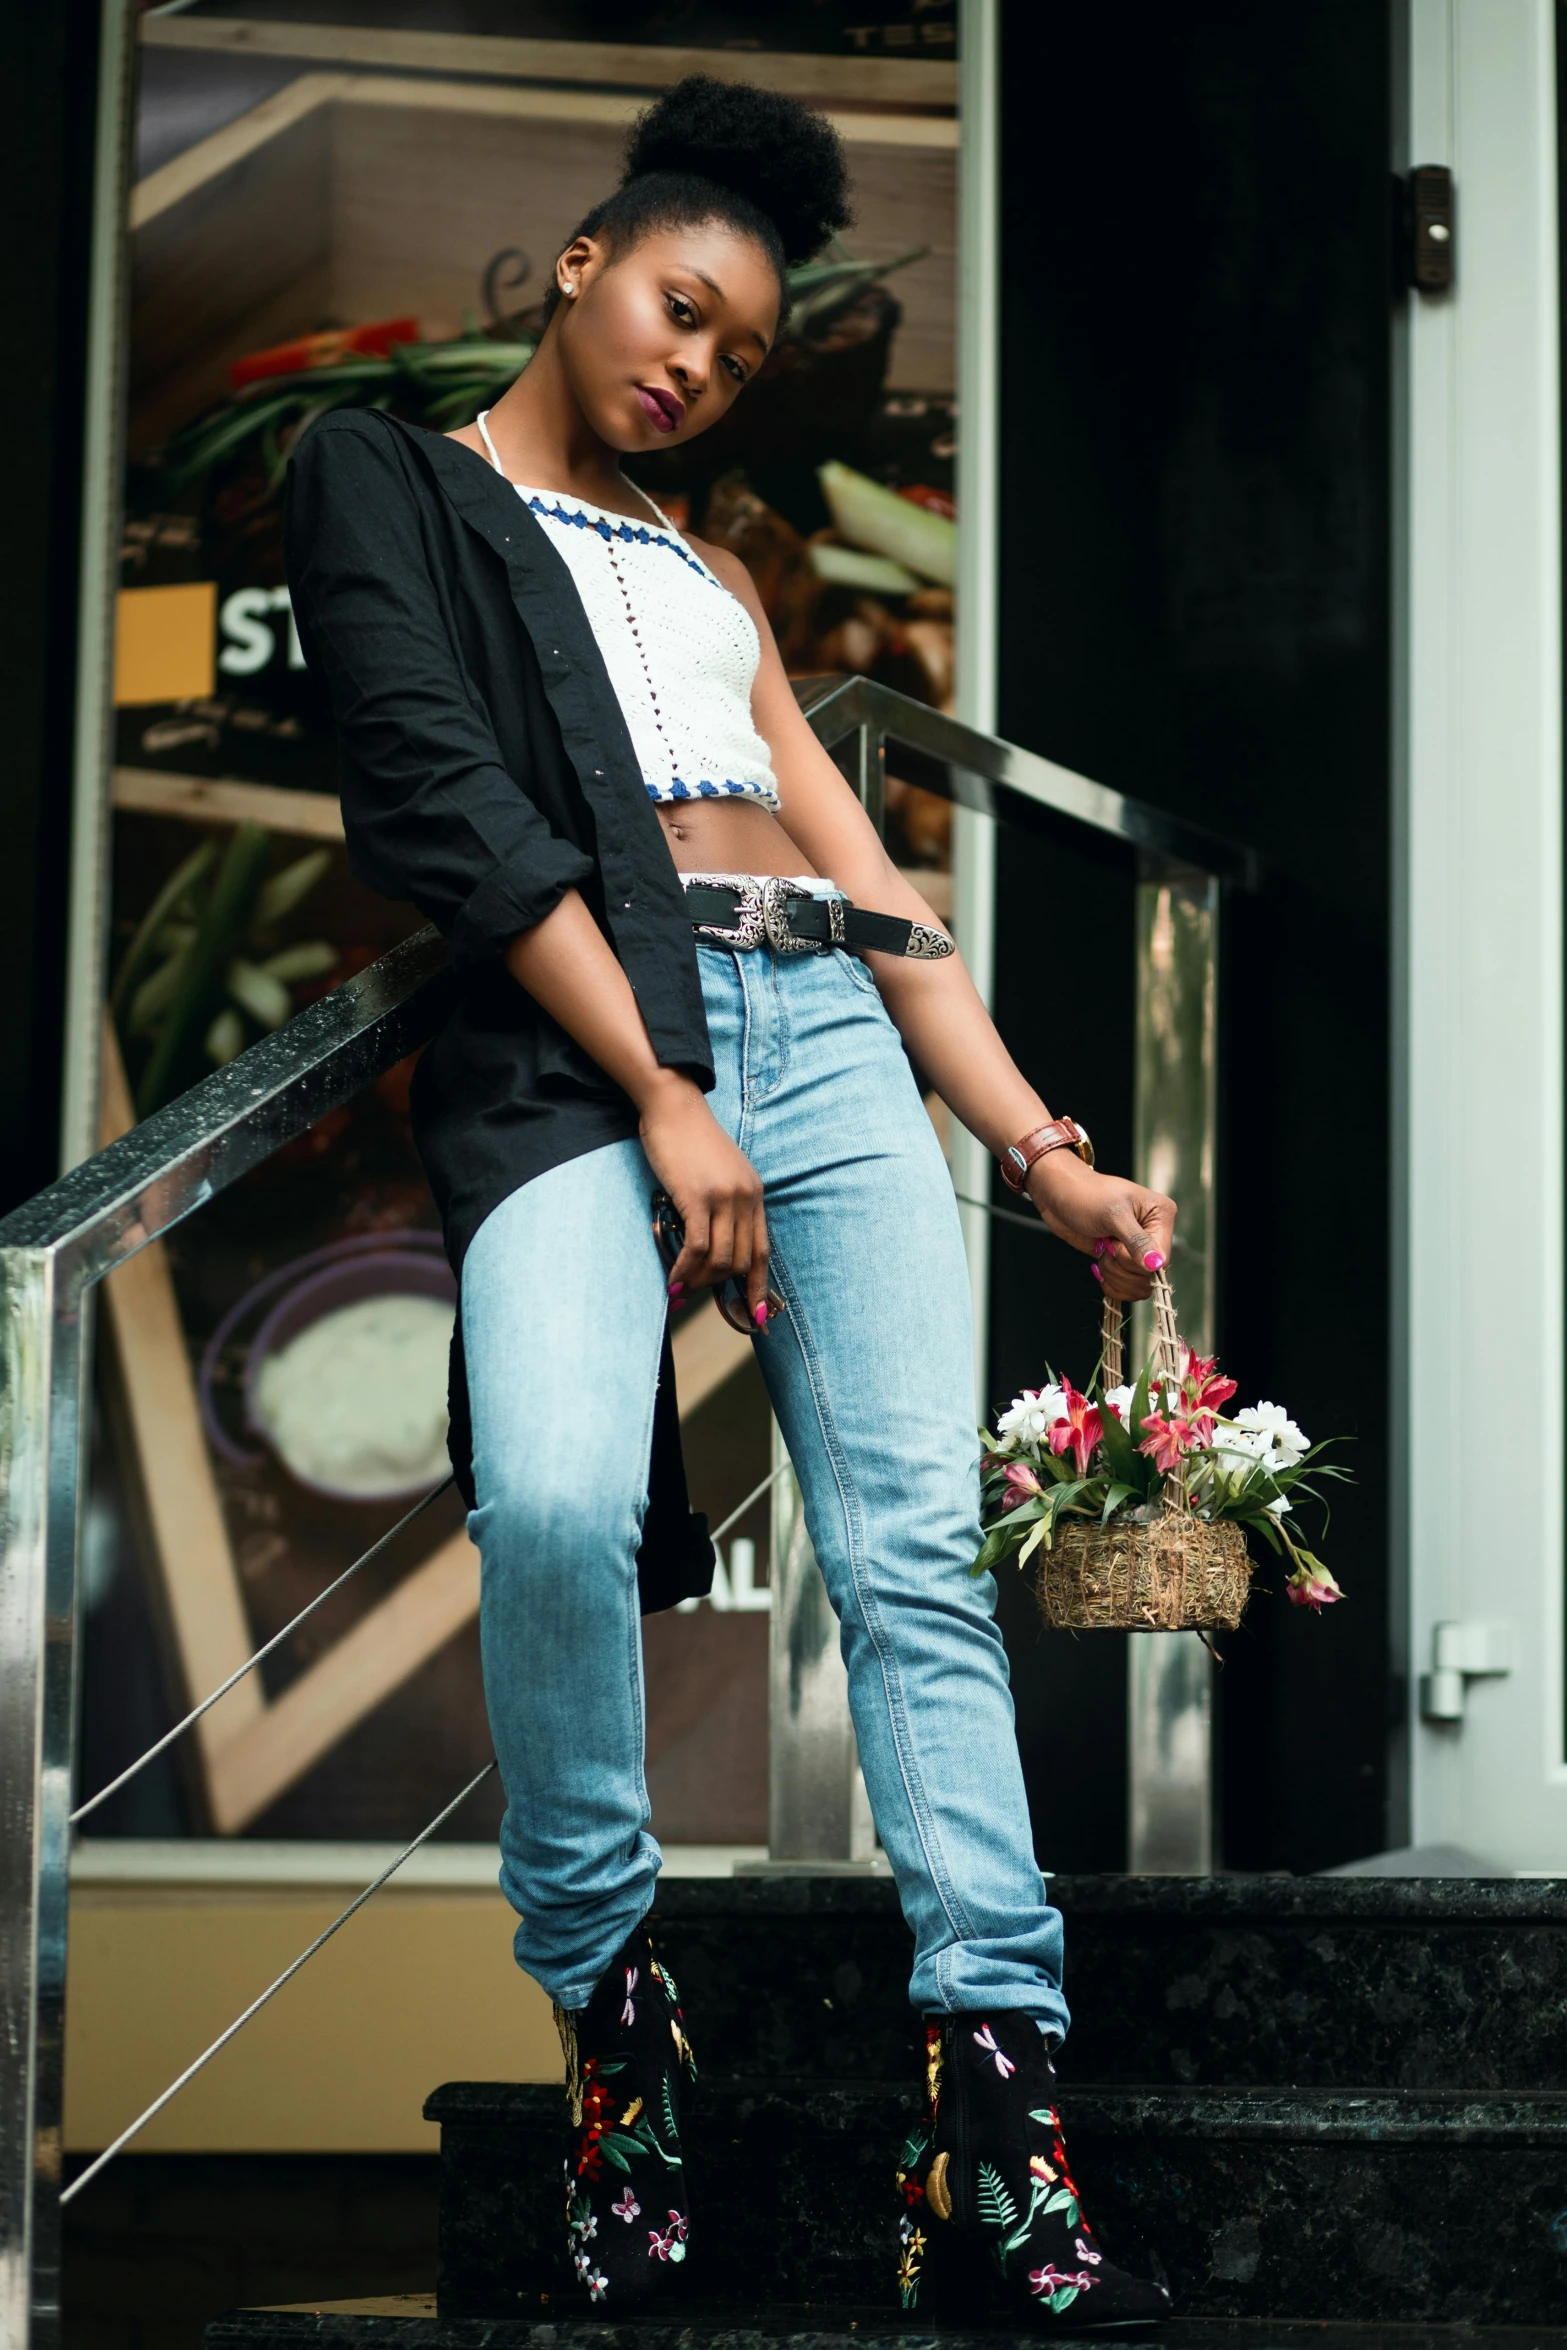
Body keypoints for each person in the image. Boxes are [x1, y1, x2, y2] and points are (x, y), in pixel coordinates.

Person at [286, 75, 1173, 2329]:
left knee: (912, 1561)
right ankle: (613, 2016)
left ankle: (995, 2086)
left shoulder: (712, 580)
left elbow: (888, 905)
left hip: (834, 1058)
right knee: (570, 1500)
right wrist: (670, 1087)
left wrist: (1050, 1158)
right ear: (584, 264)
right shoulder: (388, 483)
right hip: (589, 1062)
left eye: (740, 353)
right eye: (679, 307)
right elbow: (447, 802)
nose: (694, 365)